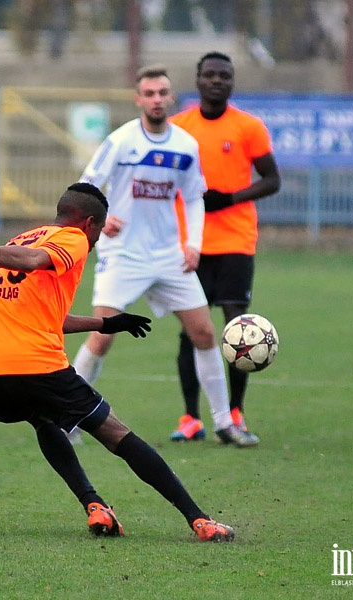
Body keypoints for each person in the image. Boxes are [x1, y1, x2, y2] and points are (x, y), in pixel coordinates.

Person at [0, 182, 235, 542]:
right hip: (35, 365)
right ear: (89, 223)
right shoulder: (72, 238)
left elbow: (49, 316)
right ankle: (199, 520)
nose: (96, 243)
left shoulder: (22, 238)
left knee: (43, 418)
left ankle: (95, 506)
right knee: (116, 433)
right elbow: (33, 263)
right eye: (99, 232)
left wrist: (107, 323)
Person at [70, 65, 258, 447]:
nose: (156, 99)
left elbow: (193, 198)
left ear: (171, 98)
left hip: (169, 256)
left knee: (204, 333)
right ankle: (65, 418)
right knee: (102, 336)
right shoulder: (121, 141)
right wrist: (99, 219)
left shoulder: (185, 145)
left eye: (162, 93)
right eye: (149, 93)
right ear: (139, 99)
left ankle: (225, 423)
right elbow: (85, 185)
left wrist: (194, 244)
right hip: (122, 255)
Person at [169, 51, 281, 442]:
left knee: (239, 330)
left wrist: (230, 198)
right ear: (198, 80)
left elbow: (272, 179)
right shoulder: (178, 128)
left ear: (232, 82)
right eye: (210, 74)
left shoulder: (248, 127)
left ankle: (235, 413)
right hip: (192, 244)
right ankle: (190, 417)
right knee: (191, 332)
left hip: (235, 240)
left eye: (225, 76)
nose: (217, 81)